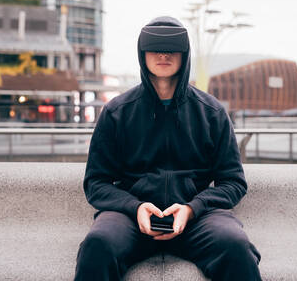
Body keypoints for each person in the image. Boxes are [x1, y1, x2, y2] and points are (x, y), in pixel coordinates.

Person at [74, 16, 261, 281]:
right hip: (131, 218)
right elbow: (96, 182)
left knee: (235, 246)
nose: (163, 54)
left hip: (196, 218)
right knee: (98, 244)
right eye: (155, 47)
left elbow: (233, 182)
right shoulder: (117, 112)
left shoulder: (211, 113)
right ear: (142, 52)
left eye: (172, 48)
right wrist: (134, 207)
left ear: (185, 54)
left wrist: (193, 207)